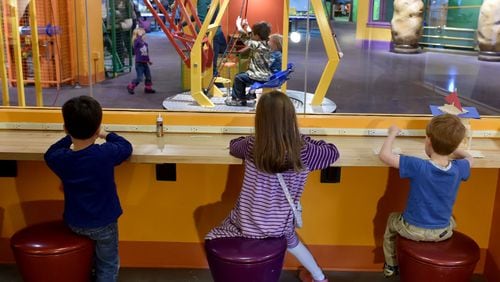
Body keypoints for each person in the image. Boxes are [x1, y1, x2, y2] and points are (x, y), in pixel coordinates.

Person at [206, 91, 340, 282]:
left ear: (260, 119)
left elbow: (234, 146)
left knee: (216, 232)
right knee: (291, 239)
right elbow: (332, 153)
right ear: (291, 118)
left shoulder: (253, 145)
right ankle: (319, 277)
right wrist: (306, 140)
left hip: (247, 223)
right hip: (279, 226)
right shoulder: (305, 150)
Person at [44, 95, 133, 282]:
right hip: (104, 222)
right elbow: (125, 147)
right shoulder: (104, 154)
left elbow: (50, 153)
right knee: (108, 263)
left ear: (66, 128)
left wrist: (68, 137)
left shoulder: (60, 158)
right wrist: (106, 134)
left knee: (89, 258)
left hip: (75, 221)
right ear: (96, 129)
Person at [378, 113, 473, 278]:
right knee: (451, 219)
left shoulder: (418, 166)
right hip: (443, 231)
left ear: (428, 141)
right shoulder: (459, 168)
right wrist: (452, 146)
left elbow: (384, 155)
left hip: (413, 229)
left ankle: (391, 265)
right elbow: (470, 158)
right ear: (455, 145)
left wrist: (392, 133)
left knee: (392, 220)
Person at [225, 19, 273, 106]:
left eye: (254, 34)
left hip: (258, 76)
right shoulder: (266, 43)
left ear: (257, 36)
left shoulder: (257, 45)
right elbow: (252, 36)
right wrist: (247, 26)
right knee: (243, 76)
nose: (252, 35)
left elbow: (245, 39)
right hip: (265, 74)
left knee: (238, 78)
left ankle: (237, 99)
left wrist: (238, 25)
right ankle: (247, 97)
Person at [127, 27, 156, 94]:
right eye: (143, 35)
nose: (144, 36)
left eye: (144, 35)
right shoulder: (136, 43)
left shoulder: (145, 44)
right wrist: (139, 35)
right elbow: (138, 41)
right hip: (139, 64)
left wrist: (148, 60)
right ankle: (131, 86)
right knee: (140, 78)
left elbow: (146, 54)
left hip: (145, 63)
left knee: (148, 76)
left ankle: (148, 88)